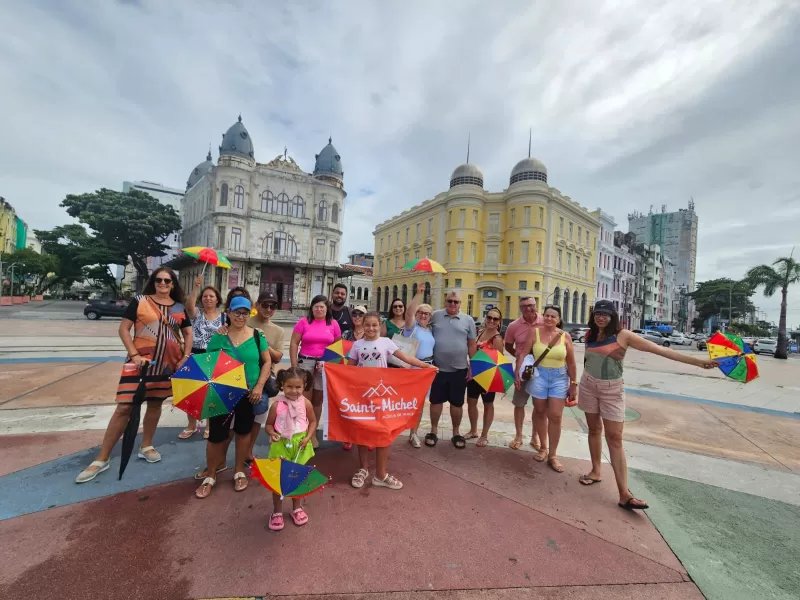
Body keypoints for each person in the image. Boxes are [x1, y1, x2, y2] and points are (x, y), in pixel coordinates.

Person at [578, 300, 717, 510]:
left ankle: (624, 494)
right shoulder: (590, 334)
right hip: (588, 385)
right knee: (594, 429)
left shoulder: (623, 335)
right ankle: (596, 471)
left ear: (613, 316)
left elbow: (659, 350)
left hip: (612, 390)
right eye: (598, 313)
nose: (601, 317)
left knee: (614, 438)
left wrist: (698, 362)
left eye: (605, 314)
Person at [76, 268, 193, 483]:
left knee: (156, 404)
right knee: (124, 407)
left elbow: (188, 331)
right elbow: (124, 329)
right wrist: (134, 354)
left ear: (173, 284)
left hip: (168, 366)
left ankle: (146, 444)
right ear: (153, 282)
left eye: (167, 280)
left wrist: (186, 355)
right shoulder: (140, 301)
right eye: (159, 280)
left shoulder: (178, 307)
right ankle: (102, 458)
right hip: (140, 364)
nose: (163, 283)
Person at [347, 311, 437, 490]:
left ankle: (380, 474)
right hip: (363, 395)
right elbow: (349, 370)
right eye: (367, 325)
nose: (371, 328)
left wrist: (426, 366)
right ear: (362, 326)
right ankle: (363, 468)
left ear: (380, 325)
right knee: (362, 430)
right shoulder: (357, 345)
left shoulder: (386, 342)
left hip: (381, 395)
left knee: (383, 431)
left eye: (374, 325)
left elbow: (406, 358)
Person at [195, 296, 272, 498]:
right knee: (216, 435)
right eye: (236, 312)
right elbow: (207, 363)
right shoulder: (219, 337)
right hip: (221, 392)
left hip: (248, 392)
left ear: (249, 314)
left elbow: (266, 362)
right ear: (228, 313)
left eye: (245, 313)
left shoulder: (257, 336)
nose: (240, 316)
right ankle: (211, 474)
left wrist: (259, 386)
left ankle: (238, 470)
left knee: (243, 432)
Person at [514, 305, 577, 472]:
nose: (549, 319)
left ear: (559, 319)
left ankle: (553, 455)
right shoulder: (534, 333)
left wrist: (574, 384)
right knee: (540, 411)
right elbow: (523, 354)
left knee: (555, 415)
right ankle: (543, 448)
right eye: (547, 315)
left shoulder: (565, 336)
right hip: (539, 376)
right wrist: (517, 373)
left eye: (553, 316)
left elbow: (571, 362)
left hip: (559, 377)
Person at [265, 367, 317, 531]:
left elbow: (313, 422)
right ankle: (277, 512)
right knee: (278, 480)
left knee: (297, 478)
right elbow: (268, 425)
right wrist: (272, 433)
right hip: (281, 445)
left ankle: (297, 507)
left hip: (300, 444)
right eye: (289, 387)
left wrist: (308, 437)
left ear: (304, 386)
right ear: (282, 385)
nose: (293, 391)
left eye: (298, 387)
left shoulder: (306, 403)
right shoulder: (276, 405)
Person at [426, 291, 477, 449]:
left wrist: (472, 366)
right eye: (450, 301)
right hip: (437, 368)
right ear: (445, 301)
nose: (453, 304)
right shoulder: (435, 315)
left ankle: (456, 432)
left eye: (456, 302)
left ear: (461, 303)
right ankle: (433, 431)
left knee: (457, 403)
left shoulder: (468, 320)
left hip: (459, 369)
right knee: (435, 401)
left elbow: (471, 344)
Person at [290, 295, 341, 448]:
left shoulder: (333, 324)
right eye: (316, 306)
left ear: (327, 309)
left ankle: (312, 434)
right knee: (304, 399)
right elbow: (293, 343)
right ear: (311, 308)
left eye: (322, 307)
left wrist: (328, 363)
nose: (319, 309)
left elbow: (337, 348)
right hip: (305, 362)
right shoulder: (303, 322)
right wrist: (294, 366)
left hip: (323, 365)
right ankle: (302, 431)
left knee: (317, 400)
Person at [179, 275, 224, 440]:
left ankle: (209, 426)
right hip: (196, 354)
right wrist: (196, 286)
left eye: (211, 296)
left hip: (214, 357)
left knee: (212, 394)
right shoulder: (197, 313)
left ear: (217, 299)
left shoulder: (224, 317)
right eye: (205, 296)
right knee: (191, 392)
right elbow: (189, 305)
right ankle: (191, 425)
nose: (208, 299)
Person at [246, 290, 285, 462]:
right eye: (265, 305)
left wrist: (262, 342)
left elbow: (277, 356)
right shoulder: (246, 322)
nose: (269, 309)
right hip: (243, 375)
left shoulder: (278, 330)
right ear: (257, 305)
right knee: (237, 418)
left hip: (264, 378)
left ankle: (248, 450)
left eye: (273, 306)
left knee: (258, 416)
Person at [504, 296, 544, 451]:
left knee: (539, 406)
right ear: (520, 308)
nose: (528, 308)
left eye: (531, 305)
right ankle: (519, 435)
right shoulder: (514, 326)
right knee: (519, 403)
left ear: (536, 305)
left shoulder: (545, 322)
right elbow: (508, 345)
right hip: (523, 371)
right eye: (524, 306)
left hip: (542, 370)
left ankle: (535, 436)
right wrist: (521, 358)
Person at [465, 307, 505, 447]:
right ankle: (473, 430)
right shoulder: (481, 332)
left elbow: (499, 360)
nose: (491, 321)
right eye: (489, 317)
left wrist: (491, 381)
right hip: (474, 374)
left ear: (499, 322)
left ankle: (484, 435)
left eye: (495, 319)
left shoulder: (497, 338)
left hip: (487, 376)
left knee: (488, 404)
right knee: (471, 402)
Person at [403, 283, 436, 448]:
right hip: (412, 369)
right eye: (421, 313)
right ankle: (398, 428)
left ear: (430, 316)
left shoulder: (429, 331)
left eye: (427, 314)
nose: (424, 316)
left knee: (420, 404)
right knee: (408, 403)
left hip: (426, 370)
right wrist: (418, 294)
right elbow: (408, 312)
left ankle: (413, 433)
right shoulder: (411, 327)